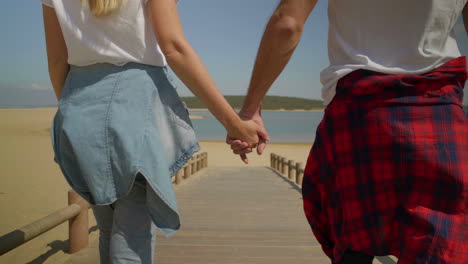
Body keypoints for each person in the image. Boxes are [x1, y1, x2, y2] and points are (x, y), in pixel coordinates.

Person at [229, 0, 468, 263]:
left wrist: (251, 109)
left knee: (352, 242)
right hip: (438, 112)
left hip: (358, 115)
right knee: (440, 239)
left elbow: (287, 24)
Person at [40, 0, 260, 263]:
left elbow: (56, 61)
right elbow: (174, 47)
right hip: (135, 108)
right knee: (132, 240)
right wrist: (233, 123)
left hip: (79, 109)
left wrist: (73, 114)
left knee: (108, 231)